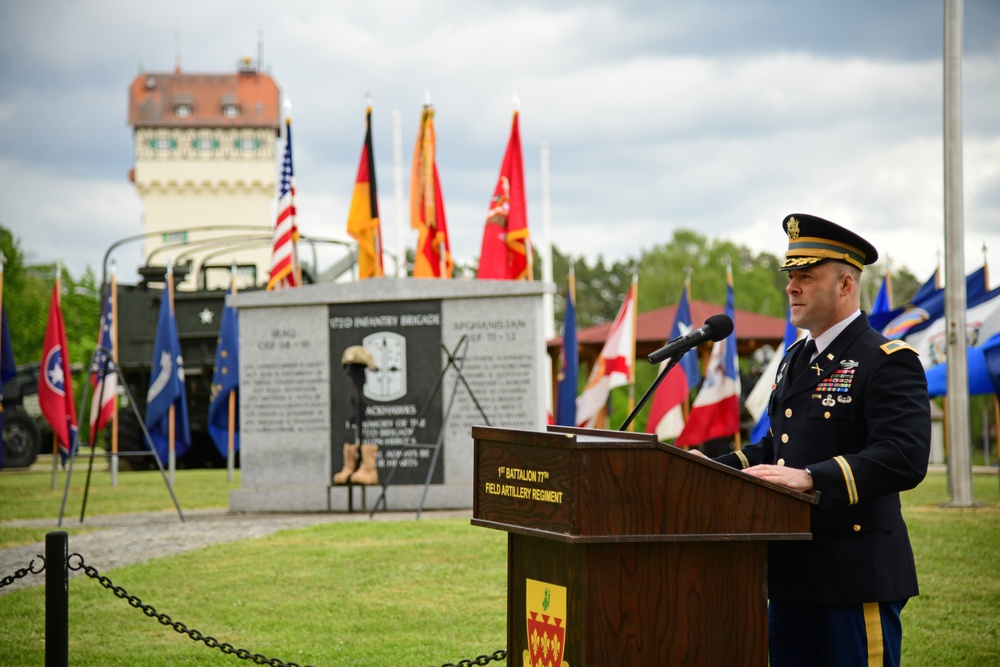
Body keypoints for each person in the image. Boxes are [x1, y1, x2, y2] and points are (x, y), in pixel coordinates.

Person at [711, 213, 931, 666]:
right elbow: (777, 448)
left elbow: (903, 456)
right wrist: (708, 465)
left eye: (806, 277)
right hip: (792, 573)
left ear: (846, 285)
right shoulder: (795, 358)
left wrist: (811, 478)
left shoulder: (886, 360)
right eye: (791, 276)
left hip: (854, 573)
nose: (791, 287)